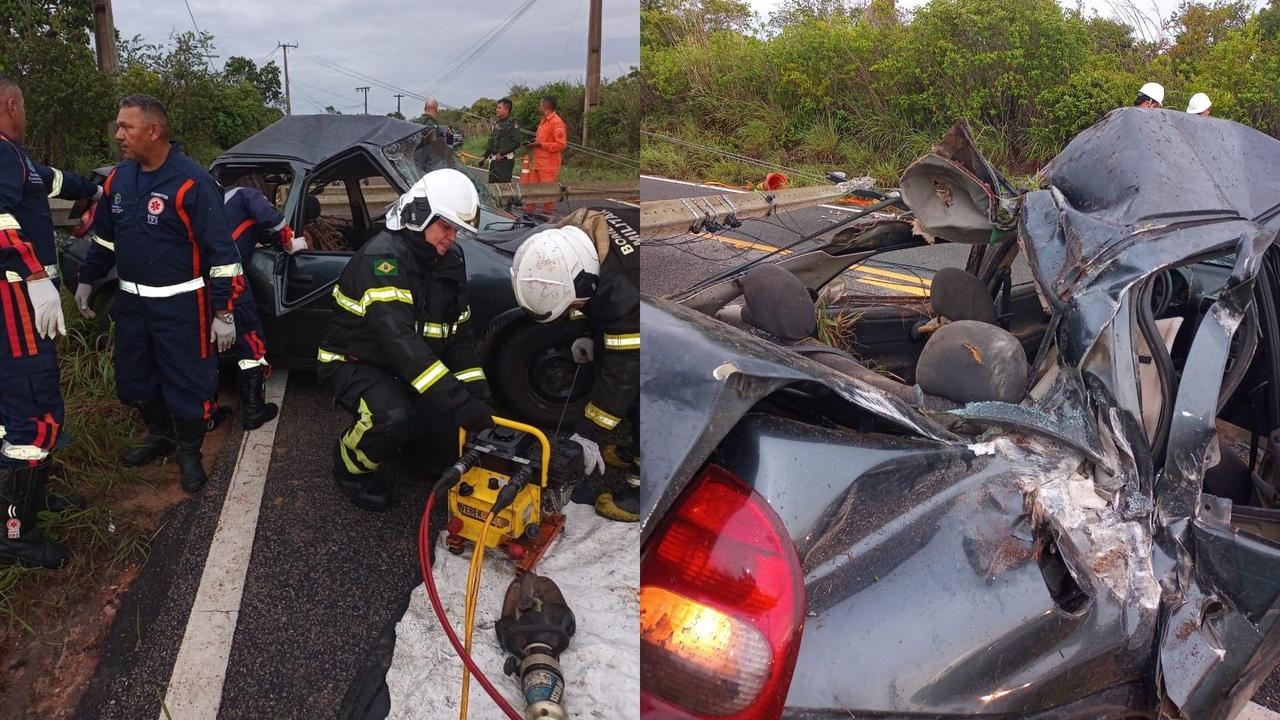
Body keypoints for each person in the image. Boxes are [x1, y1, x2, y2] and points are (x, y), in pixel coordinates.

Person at [75, 95, 242, 494]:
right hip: (133, 305)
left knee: (187, 380)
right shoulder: (118, 180)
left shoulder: (192, 183)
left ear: (153, 131)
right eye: (118, 126)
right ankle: (160, 435)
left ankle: (190, 452)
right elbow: (105, 239)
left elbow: (223, 255)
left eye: (126, 127)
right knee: (136, 376)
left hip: (181, 305)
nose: (118, 135)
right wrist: (87, 279)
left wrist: (224, 312)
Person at [315, 168, 494, 511]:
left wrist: (479, 395)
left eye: (456, 229)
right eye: (446, 227)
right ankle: (350, 465)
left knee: (443, 445)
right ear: (419, 215)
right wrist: (459, 402)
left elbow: (459, 336)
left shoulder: (450, 259)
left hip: (408, 367)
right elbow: (402, 344)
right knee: (394, 416)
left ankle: (412, 442)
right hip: (355, 362)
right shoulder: (382, 260)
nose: (452, 237)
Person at [0, 75, 100, 568]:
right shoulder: (1, 151)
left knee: (11, 412)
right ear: (11, 104)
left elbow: (53, 180)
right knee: (35, 411)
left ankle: (26, 500)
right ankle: (15, 532)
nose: (25, 113)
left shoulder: (17, 159)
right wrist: (35, 275)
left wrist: (97, 186)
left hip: (16, 301)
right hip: (15, 301)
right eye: (23, 106)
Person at [510, 207, 640, 521]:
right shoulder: (575, 237)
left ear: (586, 284)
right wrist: (585, 331)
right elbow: (587, 305)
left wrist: (589, 435)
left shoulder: (622, 293)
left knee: (647, 390)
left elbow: (625, 370)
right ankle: (635, 449)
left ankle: (643, 489)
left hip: (658, 315)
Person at [221, 180, 306, 429]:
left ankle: (205, 414)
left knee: (204, 345)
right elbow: (274, 222)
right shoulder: (246, 194)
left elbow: (258, 232)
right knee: (251, 343)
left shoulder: (218, 204)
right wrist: (291, 242)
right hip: (228, 279)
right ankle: (253, 411)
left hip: (197, 280)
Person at [523, 96, 568, 217]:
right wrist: (533, 143)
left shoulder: (556, 122)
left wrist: (541, 144)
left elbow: (561, 145)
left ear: (544, 106)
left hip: (548, 166)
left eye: (540, 104)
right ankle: (528, 216)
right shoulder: (544, 121)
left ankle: (547, 218)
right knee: (532, 192)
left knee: (548, 194)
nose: (539, 107)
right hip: (537, 163)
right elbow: (541, 140)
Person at [484, 97, 521, 184]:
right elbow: (491, 141)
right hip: (494, 161)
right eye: (497, 107)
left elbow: (516, 143)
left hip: (505, 161)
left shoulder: (512, 124)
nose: (496, 110)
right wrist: (484, 156)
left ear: (506, 110)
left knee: (504, 187)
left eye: (499, 108)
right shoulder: (496, 123)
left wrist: (502, 153)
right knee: (492, 187)